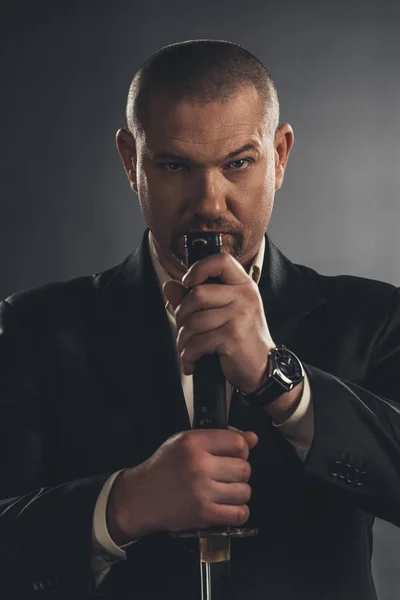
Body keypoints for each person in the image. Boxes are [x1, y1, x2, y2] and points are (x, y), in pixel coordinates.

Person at [0, 39, 399, 600]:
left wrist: (277, 378)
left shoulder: (375, 317)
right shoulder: (32, 328)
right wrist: (121, 504)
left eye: (238, 163)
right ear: (129, 160)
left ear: (279, 155)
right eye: (174, 165)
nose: (210, 201)